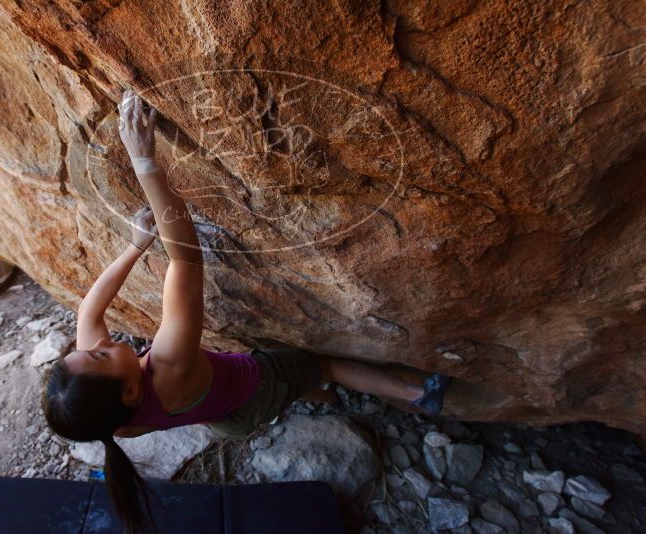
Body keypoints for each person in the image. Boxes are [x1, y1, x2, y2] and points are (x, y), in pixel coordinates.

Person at [41, 88, 451, 534]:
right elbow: (185, 258)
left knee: (301, 381)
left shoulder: (113, 423)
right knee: (323, 365)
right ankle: (417, 396)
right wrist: (144, 163)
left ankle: (319, 396)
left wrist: (136, 245)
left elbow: (88, 315)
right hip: (255, 389)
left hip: (224, 418)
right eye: (100, 355)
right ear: (130, 394)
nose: (100, 344)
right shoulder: (169, 363)